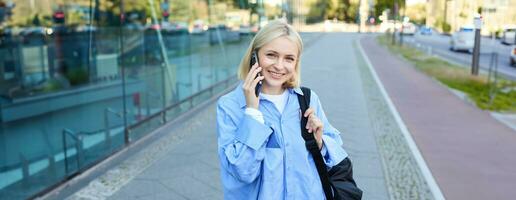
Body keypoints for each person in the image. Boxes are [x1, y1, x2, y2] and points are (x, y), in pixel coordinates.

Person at [216, 20, 348, 199]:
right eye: (271, 55)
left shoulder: (307, 99)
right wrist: (253, 114)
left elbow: (337, 153)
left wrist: (320, 143)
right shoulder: (230, 106)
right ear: (254, 56)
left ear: (296, 63)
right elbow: (242, 172)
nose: (279, 65)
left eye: (289, 58)